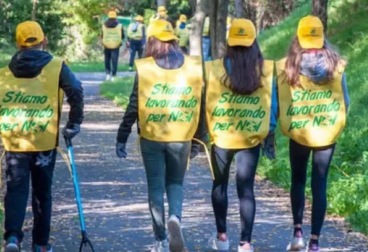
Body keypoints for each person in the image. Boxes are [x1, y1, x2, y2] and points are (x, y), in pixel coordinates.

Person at [0, 20, 84, 252]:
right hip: (44, 142)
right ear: (45, 41)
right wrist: (73, 123)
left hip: (15, 141)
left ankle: (12, 239)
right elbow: (76, 90)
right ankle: (41, 245)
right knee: (42, 191)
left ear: (18, 44)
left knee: (16, 188)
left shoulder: (5, 72)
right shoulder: (56, 66)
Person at [115, 19, 205, 252]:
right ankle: (175, 217)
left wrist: (122, 136)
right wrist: (199, 139)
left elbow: (134, 105)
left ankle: (161, 241)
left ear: (152, 40)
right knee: (175, 182)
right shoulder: (193, 66)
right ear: (174, 39)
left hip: (152, 136)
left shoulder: (145, 67)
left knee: (155, 185)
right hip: (182, 135)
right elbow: (200, 104)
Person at [276, 15, 349, 252]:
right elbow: (344, 101)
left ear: (298, 36)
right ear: (321, 37)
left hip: (299, 131)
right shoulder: (336, 66)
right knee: (320, 184)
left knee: (297, 180)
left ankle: (297, 233)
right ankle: (314, 242)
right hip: (326, 132)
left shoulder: (288, 65)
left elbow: (280, 101)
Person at [204, 19, 277, 252]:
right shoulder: (265, 70)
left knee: (219, 185)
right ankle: (245, 243)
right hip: (251, 137)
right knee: (246, 190)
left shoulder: (215, 67)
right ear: (254, 41)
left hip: (222, 136)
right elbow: (272, 106)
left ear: (230, 42)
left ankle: (222, 237)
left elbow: (206, 100)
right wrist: (269, 132)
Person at [102, 10, 125, 81]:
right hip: (116, 45)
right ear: (115, 17)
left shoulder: (104, 25)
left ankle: (107, 74)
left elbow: (102, 35)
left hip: (106, 44)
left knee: (107, 59)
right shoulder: (120, 25)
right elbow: (123, 35)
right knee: (114, 60)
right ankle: (114, 75)